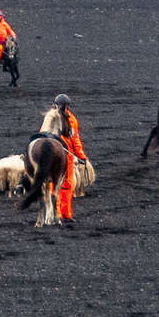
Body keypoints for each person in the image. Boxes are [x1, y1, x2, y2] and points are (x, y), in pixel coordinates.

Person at [52, 93, 88, 223]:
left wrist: (81, 155)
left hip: (63, 156)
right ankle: (59, 214)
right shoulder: (61, 118)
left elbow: (75, 138)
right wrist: (81, 156)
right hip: (60, 155)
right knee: (60, 185)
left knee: (65, 185)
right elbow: (75, 139)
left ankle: (64, 214)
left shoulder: (67, 119)